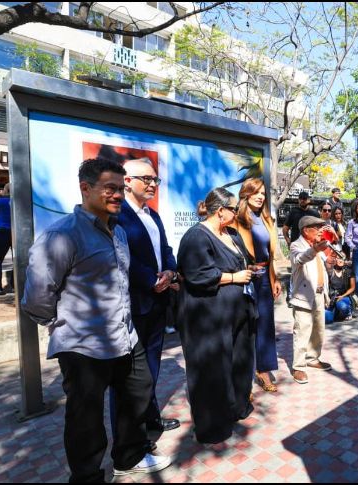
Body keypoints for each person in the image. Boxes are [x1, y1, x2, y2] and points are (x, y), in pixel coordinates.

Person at [21, 159, 171, 481]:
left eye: (120, 188)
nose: (118, 194)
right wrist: (62, 325)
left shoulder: (117, 232)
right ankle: (87, 477)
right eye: (110, 188)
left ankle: (128, 456)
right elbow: (36, 297)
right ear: (85, 188)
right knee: (85, 421)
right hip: (83, 347)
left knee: (140, 390)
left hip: (125, 338)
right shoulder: (62, 236)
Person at [177, 188, 255, 444]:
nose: (237, 212)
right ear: (220, 211)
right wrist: (234, 277)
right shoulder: (196, 237)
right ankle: (213, 427)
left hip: (236, 311)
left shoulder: (231, 233)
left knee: (239, 362)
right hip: (208, 316)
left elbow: (241, 261)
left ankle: (236, 408)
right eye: (233, 208)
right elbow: (197, 275)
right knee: (212, 369)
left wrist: (249, 270)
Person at [113, 158, 180, 446]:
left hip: (157, 303)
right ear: (127, 181)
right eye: (147, 179)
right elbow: (122, 258)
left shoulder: (152, 215)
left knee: (151, 368)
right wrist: (150, 280)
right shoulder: (118, 216)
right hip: (133, 305)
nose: (153, 184)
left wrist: (170, 270)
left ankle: (151, 421)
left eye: (156, 179)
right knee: (130, 377)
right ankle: (132, 438)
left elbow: (165, 249)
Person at [235, 178, 283, 394]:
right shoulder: (237, 219)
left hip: (264, 278)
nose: (261, 196)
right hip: (244, 277)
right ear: (246, 194)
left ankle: (263, 371)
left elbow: (271, 254)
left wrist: (276, 279)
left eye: (263, 193)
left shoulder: (266, 219)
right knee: (244, 328)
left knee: (265, 327)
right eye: (256, 192)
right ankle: (242, 381)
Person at [289, 216, 336, 384]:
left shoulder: (320, 244)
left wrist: (333, 240)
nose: (320, 230)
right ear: (305, 230)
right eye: (316, 227)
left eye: (321, 227)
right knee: (302, 331)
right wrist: (315, 249)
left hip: (318, 294)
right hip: (303, 296)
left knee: (318, 329)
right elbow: (300, 259)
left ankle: (313, 357)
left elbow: (327, 260)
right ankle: (299, 367)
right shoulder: (296, 245)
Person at [326, 255, 356, 323]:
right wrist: (327, 299)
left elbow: (353, 288)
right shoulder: (330, 271)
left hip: (344, 297)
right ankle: (337, 313)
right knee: (327, 319)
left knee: (342, 306)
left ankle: (348, 312)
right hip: (332, 299)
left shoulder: (349, 271)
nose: (340, 260)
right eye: (339, 258)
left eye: (342, 258)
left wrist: (342, 296)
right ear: (335, 259)